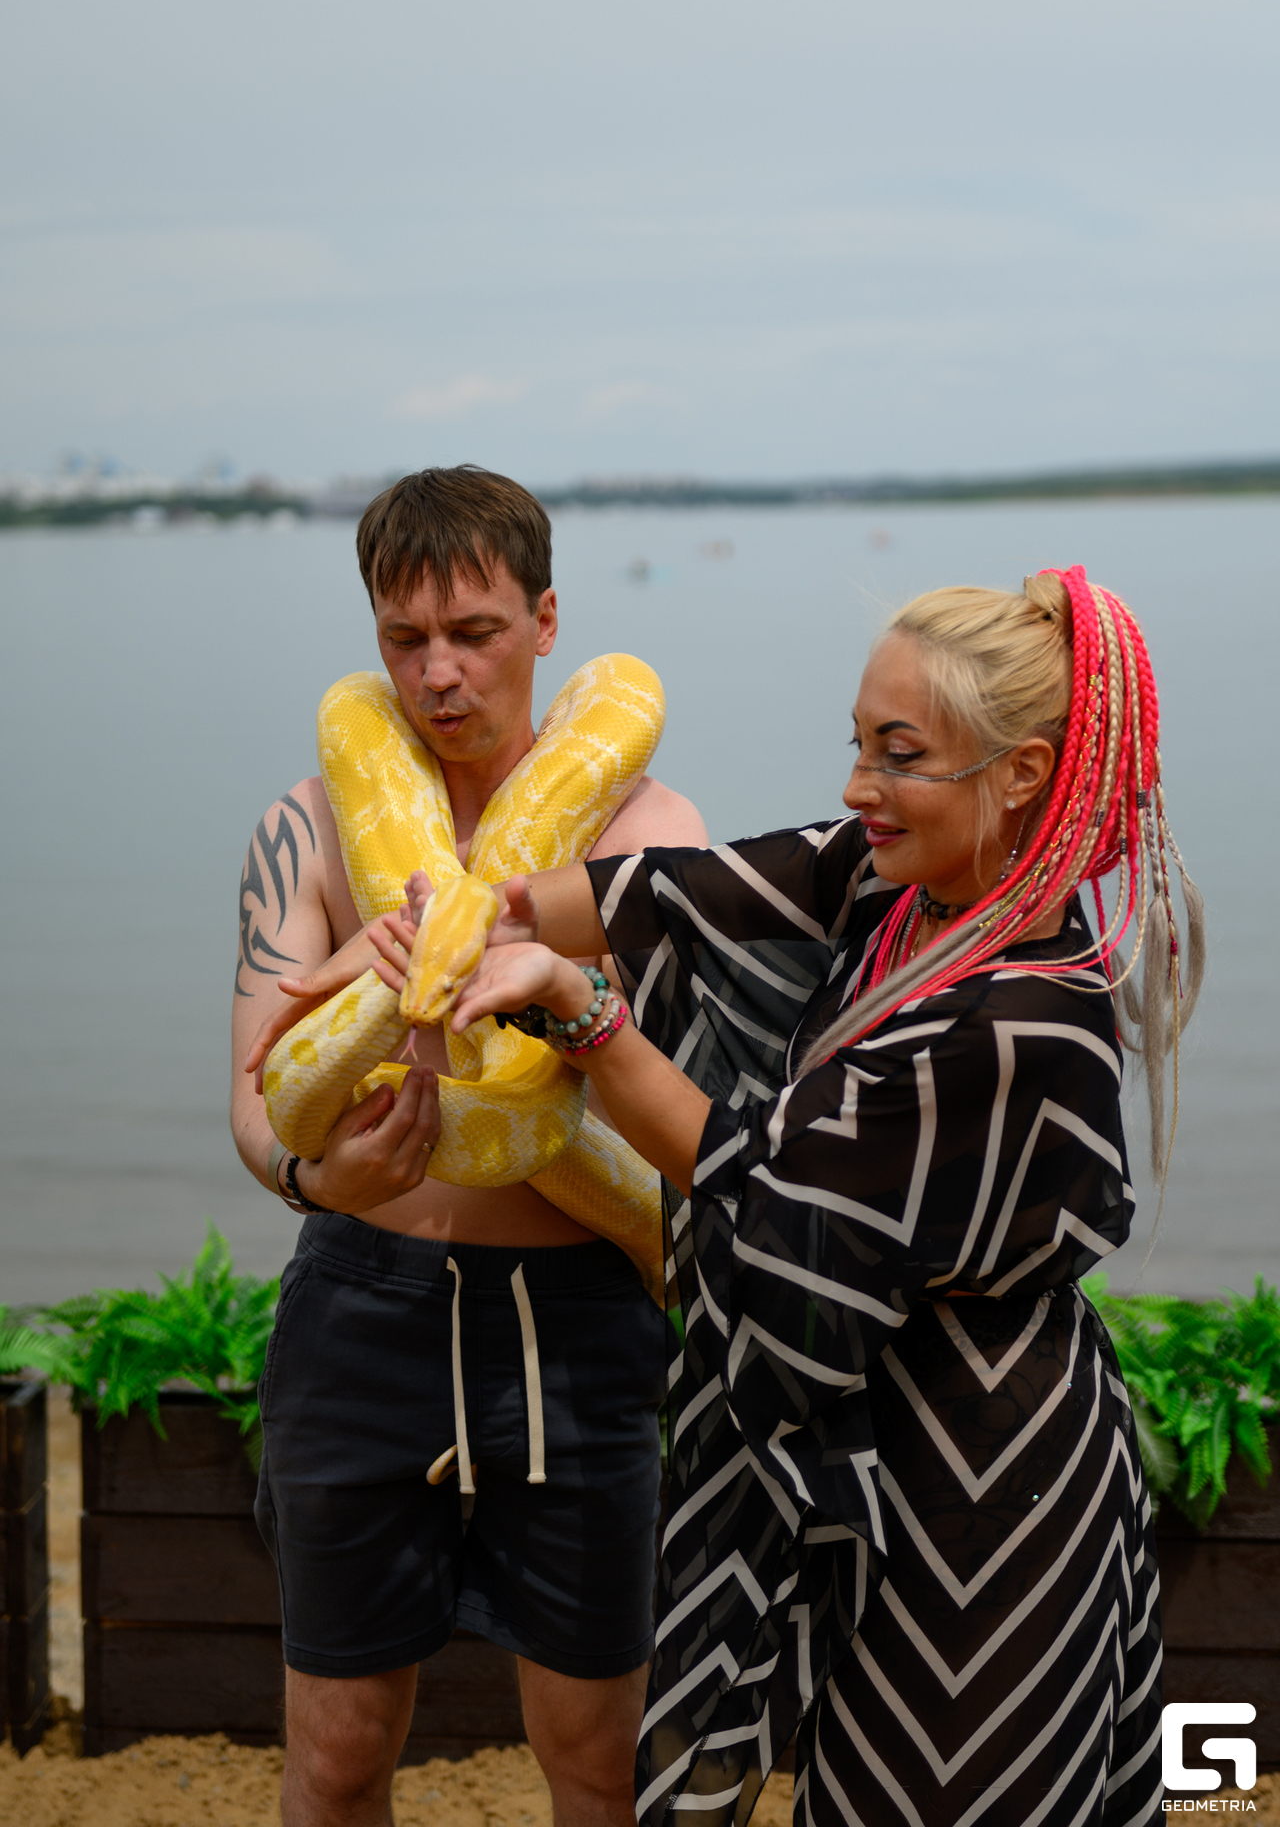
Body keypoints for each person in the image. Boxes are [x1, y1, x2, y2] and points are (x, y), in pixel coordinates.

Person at [372, 566, 1201, 1827]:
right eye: (856, 744)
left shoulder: (1019, 1018)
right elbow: (690, 890)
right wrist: (489, 910)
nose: (857, 787)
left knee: (943, 1784)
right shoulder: (909, 887)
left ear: (1020, 774)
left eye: (898, 755)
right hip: (857, 1431)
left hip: (979, 1467)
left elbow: (761, 1182)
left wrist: (581, 1011)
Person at [230, 466, 707, 1827]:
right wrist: (314, 1177)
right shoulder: (306, 827)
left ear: (545, 623)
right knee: (335, 1755)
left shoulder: (646, 835)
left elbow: (688, 1129)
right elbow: (257, 1103)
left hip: (576, 1316)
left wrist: (530, 984)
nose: (439, 673)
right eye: (406, 639)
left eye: (475, 633)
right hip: (360, 1306)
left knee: (596, 1757)